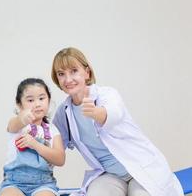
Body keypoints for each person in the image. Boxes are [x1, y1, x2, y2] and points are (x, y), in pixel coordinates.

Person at [50, 47, 183, 196]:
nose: (68, 79)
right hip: (109, 175)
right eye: (61, 74)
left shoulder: (107, 94)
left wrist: (96, 112)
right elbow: (53, 146)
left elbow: (114, 114)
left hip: (141, 168)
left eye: (74, 71)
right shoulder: (63, 113)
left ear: (87, 72)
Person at [0, 78, 65, 196]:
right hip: (14, 183)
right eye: (30, 100)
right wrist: (22, 118)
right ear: (19, 104)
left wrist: (35, 145)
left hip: (44, 184)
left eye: (41, 98)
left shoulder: (53, 130)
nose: (37, 104)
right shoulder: (17, 125)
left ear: (48, 101)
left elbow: (60, 159)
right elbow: (15, 124)